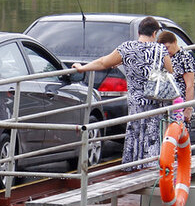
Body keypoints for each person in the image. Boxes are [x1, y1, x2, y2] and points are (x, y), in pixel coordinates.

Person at [73, 16, 171, 165]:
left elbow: (103, 62)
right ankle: (152, 167)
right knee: (152, 136)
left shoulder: (127, 48)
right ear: (154, 33)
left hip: (135, 103)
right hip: (155, 103)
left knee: (134, 134)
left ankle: (133, 166)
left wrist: (82, 68)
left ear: (139, 33)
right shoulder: (160, 49)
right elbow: (170, 73)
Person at [157, 30, 195, 127]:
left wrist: (188, 108)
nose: (166, 51)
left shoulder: (185, 58)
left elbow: (190, 85)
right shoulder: (164, 57)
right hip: (165, 103)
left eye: (167, 48)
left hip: (179, 104)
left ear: (174, 42)